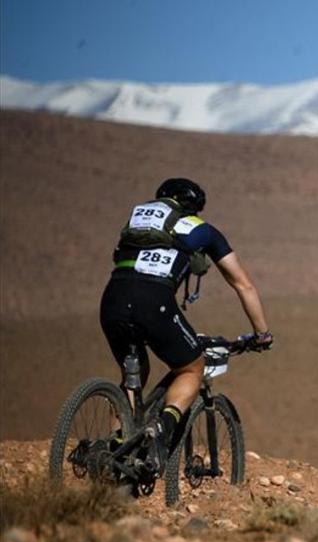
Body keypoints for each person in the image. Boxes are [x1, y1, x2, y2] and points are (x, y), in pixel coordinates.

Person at [100, 177, 272, 474]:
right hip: (154, 301)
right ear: (194, 208)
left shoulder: (137, 222)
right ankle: (161, 426)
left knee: (133, 373)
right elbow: (243, 285)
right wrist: (261, 334)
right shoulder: (203, 230)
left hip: (112, 299)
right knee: (192, 367)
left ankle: (117, 446)